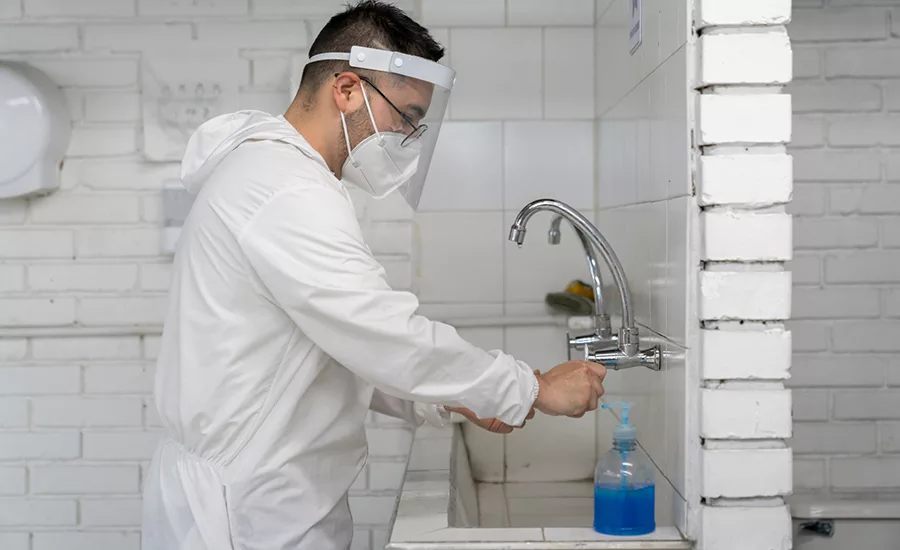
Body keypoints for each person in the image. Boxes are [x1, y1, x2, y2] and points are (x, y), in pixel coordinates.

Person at [140, 2, 607, 549]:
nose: (409, 136)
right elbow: (381, 332)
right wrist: (532, 387)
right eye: (405, 115)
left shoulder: (281, 177)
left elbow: (333, 349)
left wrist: (451, 399)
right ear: (346, 89)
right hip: (246, 514)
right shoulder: (285, 188)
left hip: (264, 496)